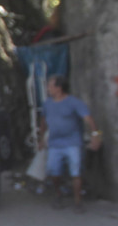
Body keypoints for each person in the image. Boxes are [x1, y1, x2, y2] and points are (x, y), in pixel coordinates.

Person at [39, 74, 101, 213]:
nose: (48, 88)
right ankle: (59, 194)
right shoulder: (47, 104)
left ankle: (78, 201)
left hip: (72, 143)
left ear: (59, 88)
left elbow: (89, 120)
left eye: (50, 85)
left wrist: (95, 136)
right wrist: (41, 138)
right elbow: (43, 121)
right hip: (55, 143)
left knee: (75, 172)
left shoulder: (74, 102)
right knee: (53, 171)